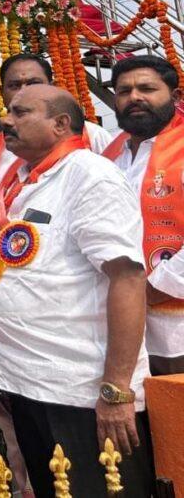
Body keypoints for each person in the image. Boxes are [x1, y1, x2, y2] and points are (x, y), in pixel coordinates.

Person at [0, 84, 154, 497]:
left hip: (80, 393)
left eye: (21, 112)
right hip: (26, 386)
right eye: (9, 110)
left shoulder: (91, 176)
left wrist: (116, 391)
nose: (6, 120)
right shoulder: (20, 181)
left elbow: (128, 278)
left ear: (61, 124)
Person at [103, 55, 184, 375]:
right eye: (124, 91)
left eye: (147, 88)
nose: (134, 97)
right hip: (120, 327)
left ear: (175, 97)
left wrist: (150, 288)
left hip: (175, 328)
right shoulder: (109, 154)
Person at [0, 53, 112, 198]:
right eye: (14, 85)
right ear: (1, 92)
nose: (24, 91)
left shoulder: (92, 135)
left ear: (52, 87)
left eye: (34, 83)